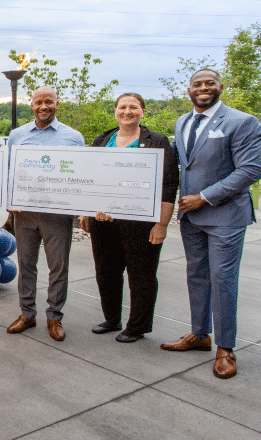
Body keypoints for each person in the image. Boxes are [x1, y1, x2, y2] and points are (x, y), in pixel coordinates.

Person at [161, 69, 261, 379]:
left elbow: (249, 171)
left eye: (210, 83)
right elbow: (173, 163)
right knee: (197, 276)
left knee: (222, 280)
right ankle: (199, 334)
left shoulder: (242, 122)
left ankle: (225, 348)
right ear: (188, 90)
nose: (203, 88)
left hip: (225, 216)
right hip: (190, 218)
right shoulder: (182, 122)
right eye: (197, 84)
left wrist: (204, 197)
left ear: (220, 87)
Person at [80, 93, 178, 343]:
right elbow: (90, 177)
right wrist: (86, 211)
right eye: (122, 107)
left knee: (141, 275)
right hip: (104, 221)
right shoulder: (103, 139)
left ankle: (137, 326)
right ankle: (112, 319)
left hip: (141, 222)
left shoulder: (156, 141)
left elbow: (168, 185)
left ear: (143, 111)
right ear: (115, 111)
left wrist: (162, 224)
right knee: (106, 272)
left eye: (133, 107)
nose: (127, 111)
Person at [6, 86, 84, 341]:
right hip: (25, 213)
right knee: (26, 264)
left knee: (58, 267)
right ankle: (27, 314)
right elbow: (9, 171)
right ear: (32, 105)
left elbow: (80, 175)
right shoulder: (17, 135)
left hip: (56, 215)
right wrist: (8, 198)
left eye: (48, 102)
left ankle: (54, 317)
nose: (43, 106)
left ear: (57, 105)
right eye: (39, 102)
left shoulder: (73, 137)